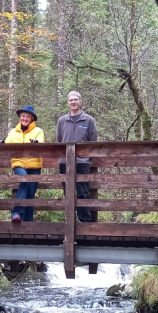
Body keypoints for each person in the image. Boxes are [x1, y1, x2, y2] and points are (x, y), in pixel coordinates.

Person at [56, 91, 98, 222]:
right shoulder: (62, 121)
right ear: (68, 103)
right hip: (65, 162)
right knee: (67, 192)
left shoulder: (88, 120)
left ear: (80, 102)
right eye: (71, 100)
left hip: (82, 162)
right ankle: (70, 222)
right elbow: (59, 140)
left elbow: (93, 141)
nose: (73, 102)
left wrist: (89, 159)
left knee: (83, 193)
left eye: (76, 100)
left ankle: (84, 223)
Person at [5, 106, 45, 222]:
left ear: (32, 118)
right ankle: (17, 213)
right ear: (20, 117)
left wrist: (36, 143)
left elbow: (41, 142)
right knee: (24, 180)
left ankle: (28, 224)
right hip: (19, 163)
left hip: (35, 165)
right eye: (23, 116)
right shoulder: (13, 131)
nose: (25, 118)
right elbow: (7, 144)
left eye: (28, 116)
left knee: (31, 194)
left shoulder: (38, 131)